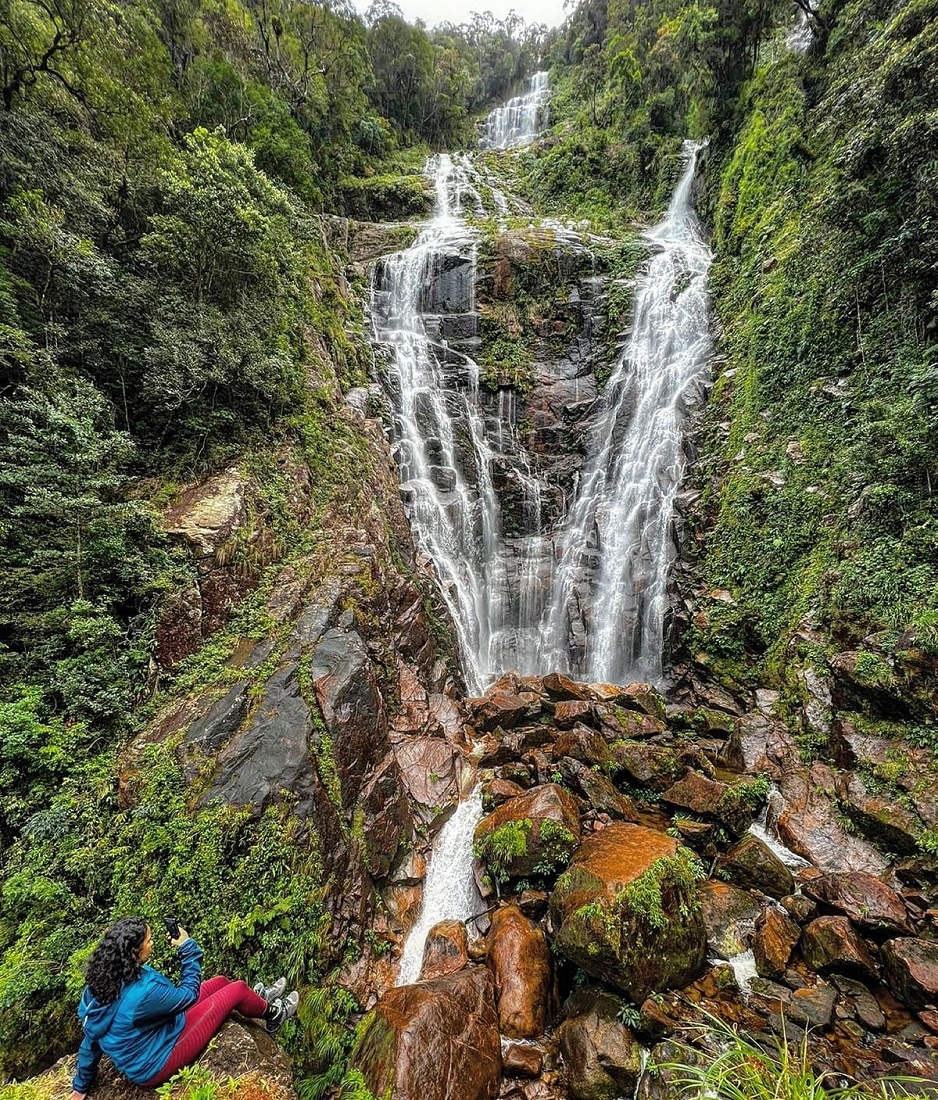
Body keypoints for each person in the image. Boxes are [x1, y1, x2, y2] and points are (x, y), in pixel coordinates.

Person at [69, 917, 298, 1098]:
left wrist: (81, 1085)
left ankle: (259, 1001)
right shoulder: (143, 992)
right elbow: (187, 996)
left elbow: (92, 1036)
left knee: (220, 982)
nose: (152, 943)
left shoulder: (102, 982)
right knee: (236, 989)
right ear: (134, 952)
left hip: (155, 1030)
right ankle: (274, 1014)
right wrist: (187, 948)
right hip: (157, 1059)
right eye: (148, 941)